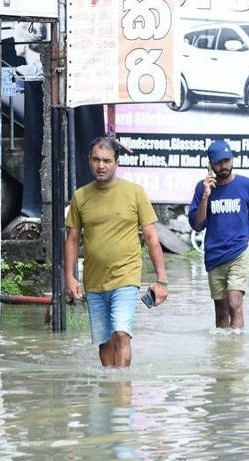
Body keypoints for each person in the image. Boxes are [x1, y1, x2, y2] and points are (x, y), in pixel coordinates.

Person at [64, 136, 168, 368]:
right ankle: (111, 386)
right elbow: (71, 239)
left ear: (117, 163)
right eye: (96, 160)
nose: (101, 166)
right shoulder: (80, 196)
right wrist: (70, 277)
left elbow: (152, 238)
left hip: (126, 277)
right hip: (94, 280)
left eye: (107, 161)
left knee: (121, 333)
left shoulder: (135, 193)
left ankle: (122, 389)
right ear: (89, 161)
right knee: (105, 342)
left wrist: (161, 279)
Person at [188, 139, 249, 330]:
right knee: (221, 311)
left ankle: (237, 346)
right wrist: (206, 196)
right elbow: (198, 225)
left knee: (234, 302)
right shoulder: (202, 188)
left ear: (232, 159)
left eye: (226, 161)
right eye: (218, 162)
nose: (223, 166)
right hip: (214, 254)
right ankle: (223, 348)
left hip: (240, 251)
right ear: (210, 165)